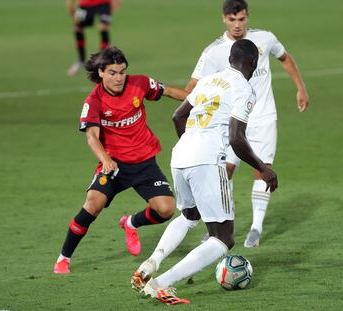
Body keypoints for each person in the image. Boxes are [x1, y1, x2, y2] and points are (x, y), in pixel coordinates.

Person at [130, 39, 278, 305]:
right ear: (253, 63)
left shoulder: (209, 80)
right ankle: (162, 284)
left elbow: (178, 117)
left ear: (230, 58)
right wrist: (263, 168)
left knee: (189, 215)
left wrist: (190, 146)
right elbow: (236, 138)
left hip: (181, 155)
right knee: (223, 239)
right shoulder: (245, 89)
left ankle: (151, 263)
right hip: (207, 159)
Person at [53, 46, 189, 274]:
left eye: (122, 71)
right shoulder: (94, 100)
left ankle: (131, 223)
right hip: (114, 165)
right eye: (113, 73)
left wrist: (200, 99)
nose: (119, 78)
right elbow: (92, 136)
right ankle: (64, 257)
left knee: (166, 210)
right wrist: (105, 159)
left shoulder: (140, 83)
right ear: (101, 73)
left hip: (144, 161)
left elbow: (169, 92)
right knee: (93, 204)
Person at [186, 0, 309, 247]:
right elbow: (193, 87)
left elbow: (284, 57)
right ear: (224, 19)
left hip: (263, 117)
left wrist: (300, 87)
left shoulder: (265, 38)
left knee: (262, 169)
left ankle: (256, 228)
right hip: (232, 121)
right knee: (224, 172)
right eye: (232, 20)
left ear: (247, 17)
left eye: (241, 19)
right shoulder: (214, 51)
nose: (237, 25)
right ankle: (218, 226)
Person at [66, 0, 121, 76]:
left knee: (103, 28)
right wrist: (70, 4)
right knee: (77, 28)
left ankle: (103, 59)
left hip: (103, 3)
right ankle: (81, 60)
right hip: (85, 4)